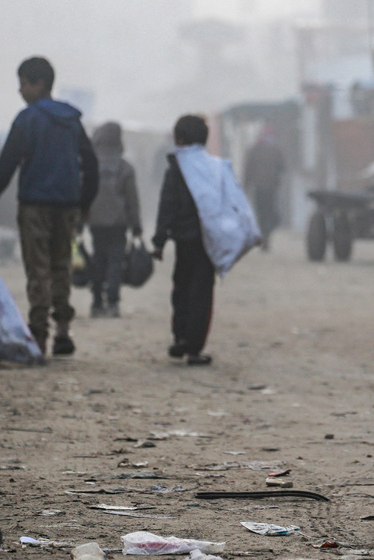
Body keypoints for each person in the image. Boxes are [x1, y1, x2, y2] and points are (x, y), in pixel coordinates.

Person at [0, 56, 98, 357]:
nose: (20, 91)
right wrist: (85, 203)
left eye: (23, 84)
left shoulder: (26, 119)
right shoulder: (72, 120)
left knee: (37, 270)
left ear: (38, 83)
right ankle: (64, 331)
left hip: (34, 206)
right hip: (67, 205)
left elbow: (7, 165)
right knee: (61, 267)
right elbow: (90, 163)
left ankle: (39, 336)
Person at [151, 115, 216, 366]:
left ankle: (180, 337)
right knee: (201, 293)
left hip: (184, 240)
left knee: (182, 288)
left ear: (178, 139)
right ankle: (194, 348)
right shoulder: (213, 168)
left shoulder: (175, 169)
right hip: (208, 241)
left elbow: (166, 206)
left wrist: (159, 241)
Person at [87, 121, 142, 318]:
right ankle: (112, 302)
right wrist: (136, 226)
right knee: (115, 261)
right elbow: (132, 200)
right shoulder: (125, 167)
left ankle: (96, 302)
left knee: (98, 259)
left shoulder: (89, 164)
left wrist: (77, 222)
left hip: (94, 221)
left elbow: (83, 194)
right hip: (119, 222)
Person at [243, 127, 285, 251]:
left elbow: (248, 170)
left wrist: (246, 186)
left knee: (262, 213)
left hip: (259, 188)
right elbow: (283, 167)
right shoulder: (276, 149)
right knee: (270, 212)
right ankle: (266, 236)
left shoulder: (254, 150)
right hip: (271, 187)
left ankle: (264, 236)